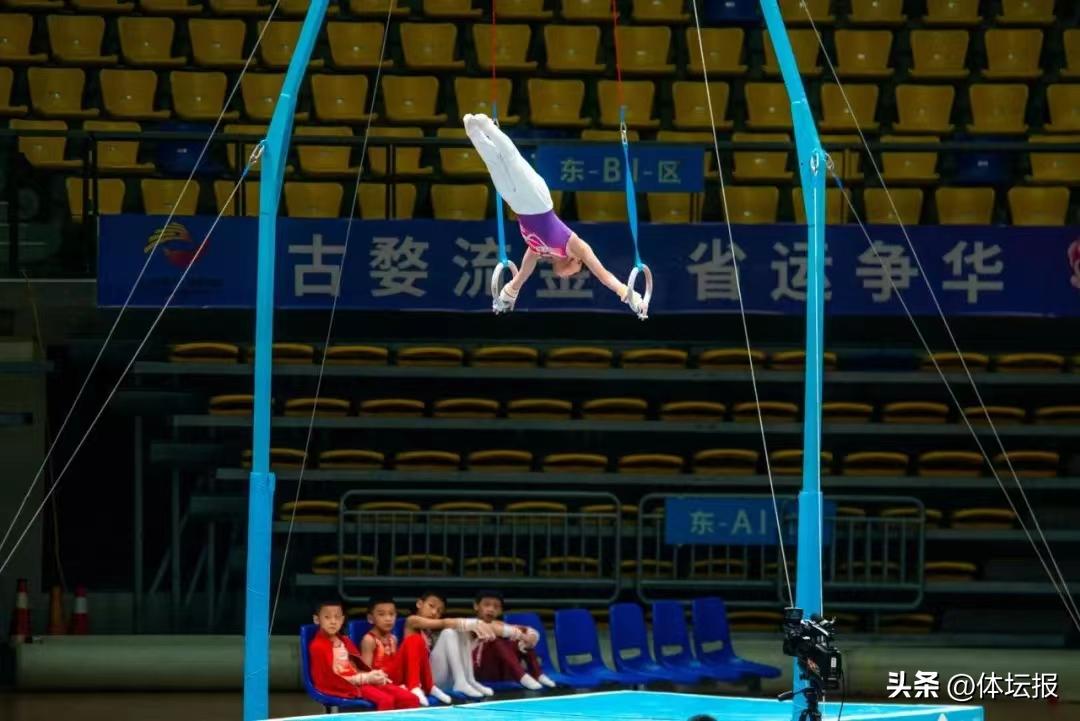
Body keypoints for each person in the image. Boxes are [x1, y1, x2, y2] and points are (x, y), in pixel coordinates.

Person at [462, 112, 646, 316]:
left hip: (517, 204)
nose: (567, 277)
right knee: (512, 160)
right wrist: (629, 295)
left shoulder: (540, 251)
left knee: (494, 164)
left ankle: (473, 132)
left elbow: (523, 272)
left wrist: (511, 290)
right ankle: (487, 126)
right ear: (577, 261)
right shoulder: (576, 246)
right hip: (538, 201)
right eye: (573, 274)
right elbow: (604, 276)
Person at [306, 600, 420, 711]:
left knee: (411, 698)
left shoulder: (345, 641)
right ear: (317, 619)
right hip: (348, 686)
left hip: (361, 681)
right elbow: (330, 680)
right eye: (327, 617)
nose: (333, 621)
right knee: (386, 700)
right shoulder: (317, 647)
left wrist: (373, 675)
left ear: (342, 620)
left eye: (337, 617)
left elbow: (356, 668)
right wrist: (365, 678)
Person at [472, 589, 555, 690]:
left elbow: (528, 630)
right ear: (476, 606)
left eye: (496, 607)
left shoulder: (500, 624)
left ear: (500, 611)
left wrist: (531, 636)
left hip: (501, 671)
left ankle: (538, 674)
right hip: (479, 672)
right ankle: (522, 677)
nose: (491, 609)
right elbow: (496, 629)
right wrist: (524, 635)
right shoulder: (470, 624)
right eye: (486, 605)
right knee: (495, 640)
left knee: (521, 641)